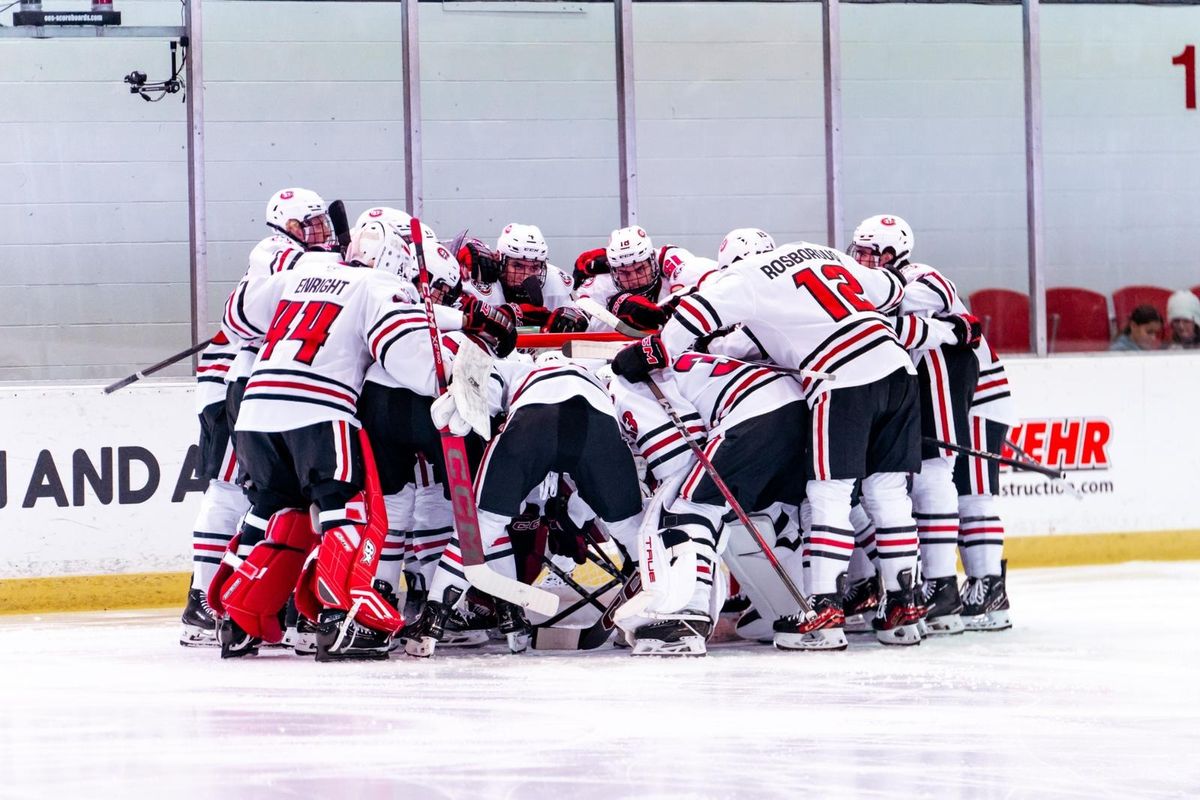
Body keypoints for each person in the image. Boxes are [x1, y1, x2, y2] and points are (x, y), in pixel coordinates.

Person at [613, 239, 968, 650]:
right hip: (898, 368)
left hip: (839, 378)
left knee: (828, 492)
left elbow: (700, 313)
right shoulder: (822, 252)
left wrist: (655, 350)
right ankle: (902, 606)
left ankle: (823, 606)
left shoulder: (745, 276)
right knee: (886, 491)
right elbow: (892, 292)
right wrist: (948, 329)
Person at [211, 228, 514, 661]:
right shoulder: (381, 287)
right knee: (345, 514)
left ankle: (239, 620)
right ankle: (342, 622)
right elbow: (412, 358)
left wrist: (461, 317)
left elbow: (236, 317)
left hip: (257, 412)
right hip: (320, 412)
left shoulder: (304, 273)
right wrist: (457, 371)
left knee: (270, 513)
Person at [847, 214, 982, 636]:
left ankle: (941, 585)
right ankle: (921, 582)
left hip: (941, 371)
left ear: (895, 254)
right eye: (860, 252)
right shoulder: (872, 281)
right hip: (909, 377)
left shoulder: (922, 276)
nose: (863, 260)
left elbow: (903, 315)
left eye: (872, 253)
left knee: (934, 470)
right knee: (900, 480)